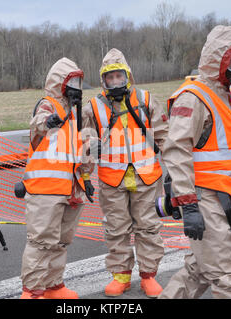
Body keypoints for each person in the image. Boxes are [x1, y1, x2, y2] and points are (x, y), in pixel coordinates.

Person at [159, 26, 231, 299]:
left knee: (200, 270)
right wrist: (188, 204)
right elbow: (176, 150)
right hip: (206, 201)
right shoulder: (194, 98)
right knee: (228, 277)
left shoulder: (229, 99)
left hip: (228, 199)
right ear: (219, 61)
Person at [83, 48, 168, 298]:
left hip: (146, 176)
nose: (116, 81)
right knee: (116, 229)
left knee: (148, 227)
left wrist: (175, 172)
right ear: (103, 80)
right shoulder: (93, 107)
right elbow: (85, 144)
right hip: (112, 180)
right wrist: (86, 175)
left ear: (128, 75)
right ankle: (121, 276)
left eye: (119, 76)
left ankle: (148, 276)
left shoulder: (146, 99)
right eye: (110, 78)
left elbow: (165, 135)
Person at [14, 57, 95, 299]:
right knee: (41, 242)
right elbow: (38, 122)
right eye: (73, 81)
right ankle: (32, 291)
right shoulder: (48, 106)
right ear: (61, 82)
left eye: (80, 82)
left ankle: (53, 285)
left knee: (61, 241)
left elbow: (88, 146)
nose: (77, 87)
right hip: (45, 189)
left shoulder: (79, 114)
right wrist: (48, 121)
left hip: (72, 188)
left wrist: (88, 178)